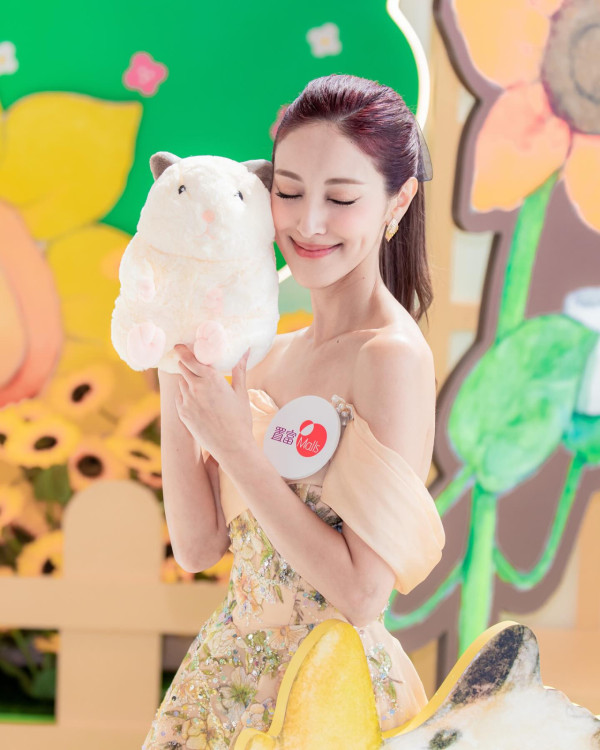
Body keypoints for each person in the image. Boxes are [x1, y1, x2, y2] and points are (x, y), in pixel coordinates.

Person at [142, 74, 445, 749]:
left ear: (397, 201)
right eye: (288, 192)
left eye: (341, 198)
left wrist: (238, 450)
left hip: (331, 698)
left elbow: (363, 593)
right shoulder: (266, 354)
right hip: (224, 685)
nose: (308, 223)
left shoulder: (390, 357)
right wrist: (171, 349)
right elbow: (198, 546)